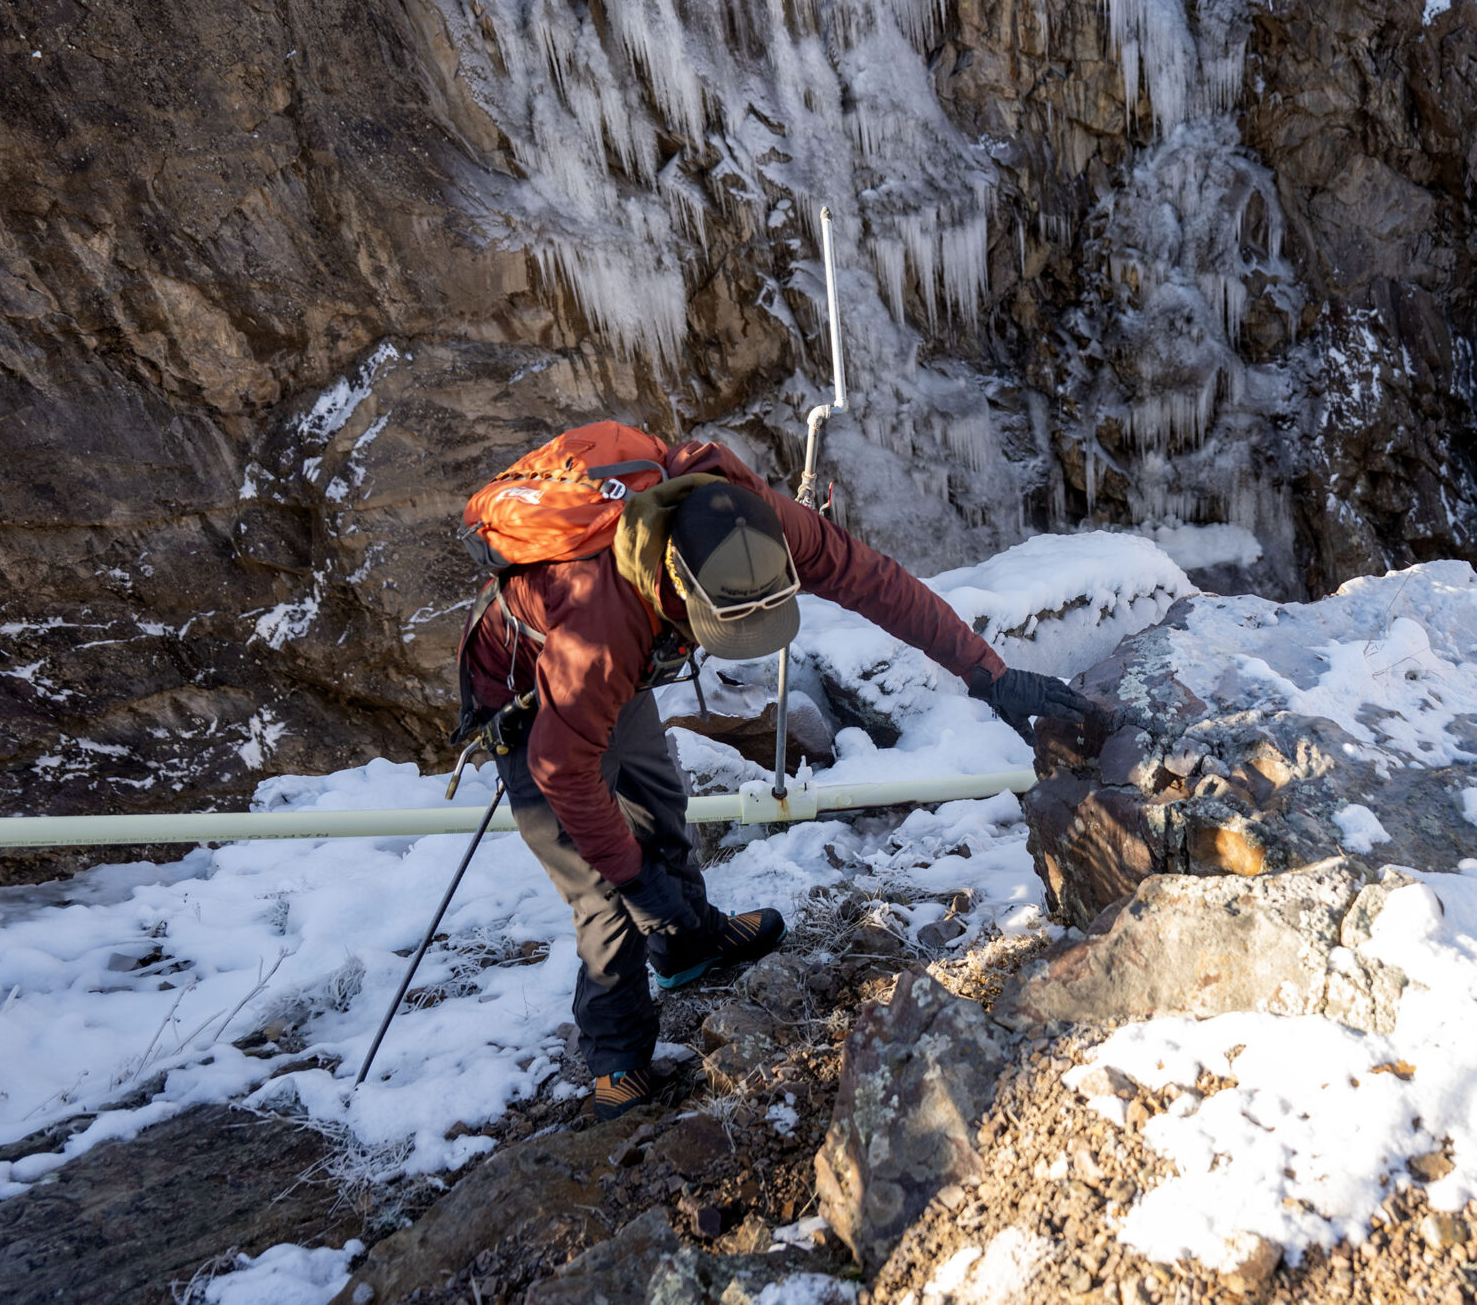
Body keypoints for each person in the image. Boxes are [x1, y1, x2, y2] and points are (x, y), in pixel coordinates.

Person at [455, 427, 1092, 1123]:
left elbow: (875, 581)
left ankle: (688, 943)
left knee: (661, 803)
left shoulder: (755, 518)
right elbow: (561, 768)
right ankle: (617, 1063)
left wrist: (988, 673)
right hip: (530, 700)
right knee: (605, 890)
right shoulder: (601, 619)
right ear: (677, 584)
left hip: (622, 672)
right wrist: (638, 882)